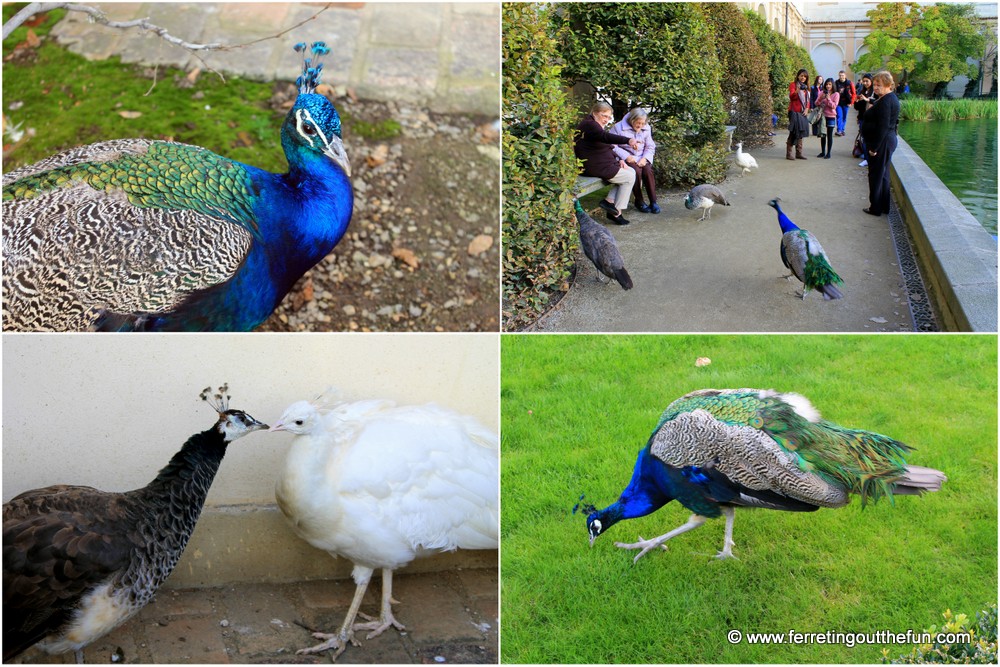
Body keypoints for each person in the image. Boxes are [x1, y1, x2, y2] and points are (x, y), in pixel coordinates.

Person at [574, 102, 640, 225]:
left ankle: (610, 202)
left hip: (600, 164)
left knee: (631, 171)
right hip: (593, 166)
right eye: (604, 116)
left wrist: (619, 159)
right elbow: (605, 137)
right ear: (594, 113)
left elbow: (607, 146)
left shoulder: (593, 124)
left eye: (609, 117)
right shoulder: (590, 125)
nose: (606, 120)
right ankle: (616, 212)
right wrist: (628, 140)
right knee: (629, 176)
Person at [860, 70, 899, 216]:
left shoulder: (886, 101)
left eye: (879, 85)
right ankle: (883, 206)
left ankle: (875, 207)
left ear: (888, 85)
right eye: (875, 85)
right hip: (887, 140)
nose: (875, 88)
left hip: (882, 142)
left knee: (876, 175)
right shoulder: (888, 98)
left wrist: (874, 147)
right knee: (883, 175)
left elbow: (883, 126)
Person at [611, 108, 660, 214]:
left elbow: (650, 146)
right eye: (638, 123)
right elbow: (612, 146)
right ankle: (639, 201)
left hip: (642, 156)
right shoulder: (618, 128)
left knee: (647, 170)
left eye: (643, 123)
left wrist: (645, 158)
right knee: (636, 172)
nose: (640, 126)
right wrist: (626, 156)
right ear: (632, 120)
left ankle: (653, 201)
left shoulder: (646, 128)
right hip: (626, 158)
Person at [786, 69, 811, 160]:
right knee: (793, 131)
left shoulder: (807, 87)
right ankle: (788, 154)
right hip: (794, 112)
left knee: (801, 132)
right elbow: (792, 97)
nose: (803, 78)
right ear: (798, 76)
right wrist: (798, 90)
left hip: (802, 112)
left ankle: (798, 153)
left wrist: (807, 109)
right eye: (801, 76)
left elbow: (808, 101)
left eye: (805, 76)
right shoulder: (793, 84)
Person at [853, 73, 876, 167]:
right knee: (864, 138)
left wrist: (867, 100)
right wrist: (857, 101)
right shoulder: (862, 91)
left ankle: (868, 158)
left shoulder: (874, 92)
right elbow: (857, 107)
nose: (865, 83)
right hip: (863, 118)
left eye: (867, 81)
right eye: (864, 81)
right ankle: (866, 157)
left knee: (868, 139)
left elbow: (876, 103)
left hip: (871, 119)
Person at [814, 78, 839, 159]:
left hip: (831, 116)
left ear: (832, 85)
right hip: (823, 116)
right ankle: (823, 152)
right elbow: (816, 103)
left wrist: (828, 99)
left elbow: (834, 106)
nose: (828, 86)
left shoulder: (836, 94)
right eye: (827, 84)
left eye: (830, 84)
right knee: (823, 135)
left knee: (829, 135)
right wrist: (821, 97)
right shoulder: (822, 92)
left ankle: (828, 153)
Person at [833, 70, 856, 136]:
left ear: (845, 76)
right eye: (840, 75)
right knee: (839, 116)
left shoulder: (849, 83)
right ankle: (839, 130)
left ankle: (842, 130)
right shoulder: (836, 83)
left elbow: (854, 93)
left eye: (842, 75)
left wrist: (851, 102)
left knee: (844, 117)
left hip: (846, 102)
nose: (841, 77)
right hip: (838, 102)